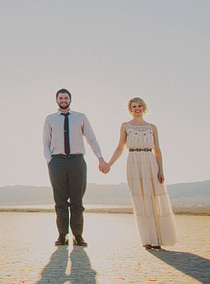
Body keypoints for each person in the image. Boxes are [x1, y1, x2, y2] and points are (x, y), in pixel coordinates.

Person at [106, 97, 178, 249]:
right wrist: (109, 164)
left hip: (150, 161)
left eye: (139, 106)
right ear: (130, 109)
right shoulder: (125, 126)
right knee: (140, 201)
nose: (137, 108)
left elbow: (157, 149)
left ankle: (157, 240)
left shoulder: (152, 127)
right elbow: (119, 148)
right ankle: (147, 239)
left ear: (144, 108)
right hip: (133, 161)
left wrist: (161, 169)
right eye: (134, 106)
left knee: (153, 200)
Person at [43, 89, 109, 246]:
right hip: (57, 162)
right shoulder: (50, 119)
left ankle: (78, 236)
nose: (63, 100)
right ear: (56, 100)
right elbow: (46, 142)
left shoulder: (80, 117)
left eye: (66, 98)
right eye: (61, 98)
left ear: (70, 100)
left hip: (77, 161)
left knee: (77, 201)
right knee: (60, 201)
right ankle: (62, 235)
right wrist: (49, 161)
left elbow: (91, 139)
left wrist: (101, 159)